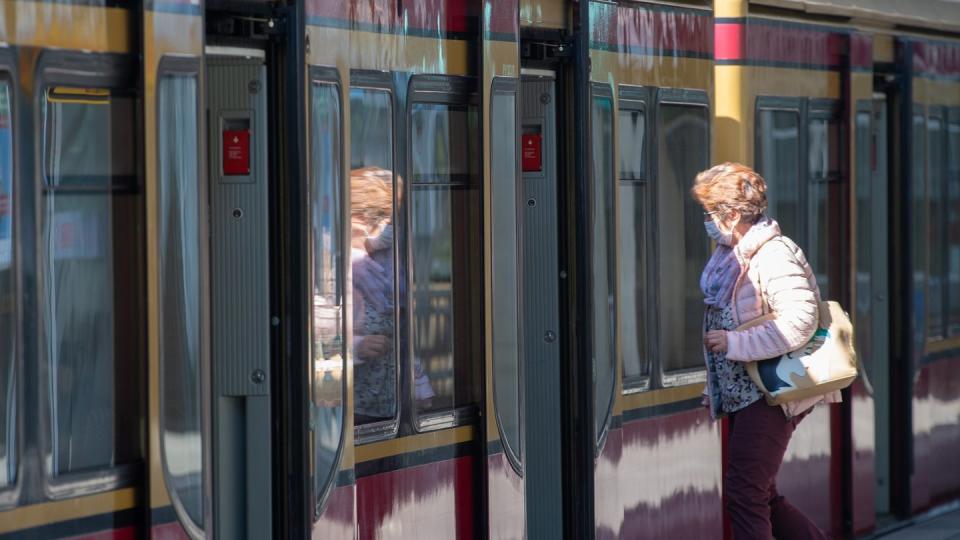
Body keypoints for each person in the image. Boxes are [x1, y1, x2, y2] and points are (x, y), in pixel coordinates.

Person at [691, 162, 840, 540]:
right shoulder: (732, 256)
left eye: (710, 213)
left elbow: (800, 319)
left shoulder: (772, 254)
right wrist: (715, 387)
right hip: (745, 393)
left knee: (745, 493)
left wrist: (734, 343)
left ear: (733, 214)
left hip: (770, 393)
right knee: (760, 493)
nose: (706, 221)